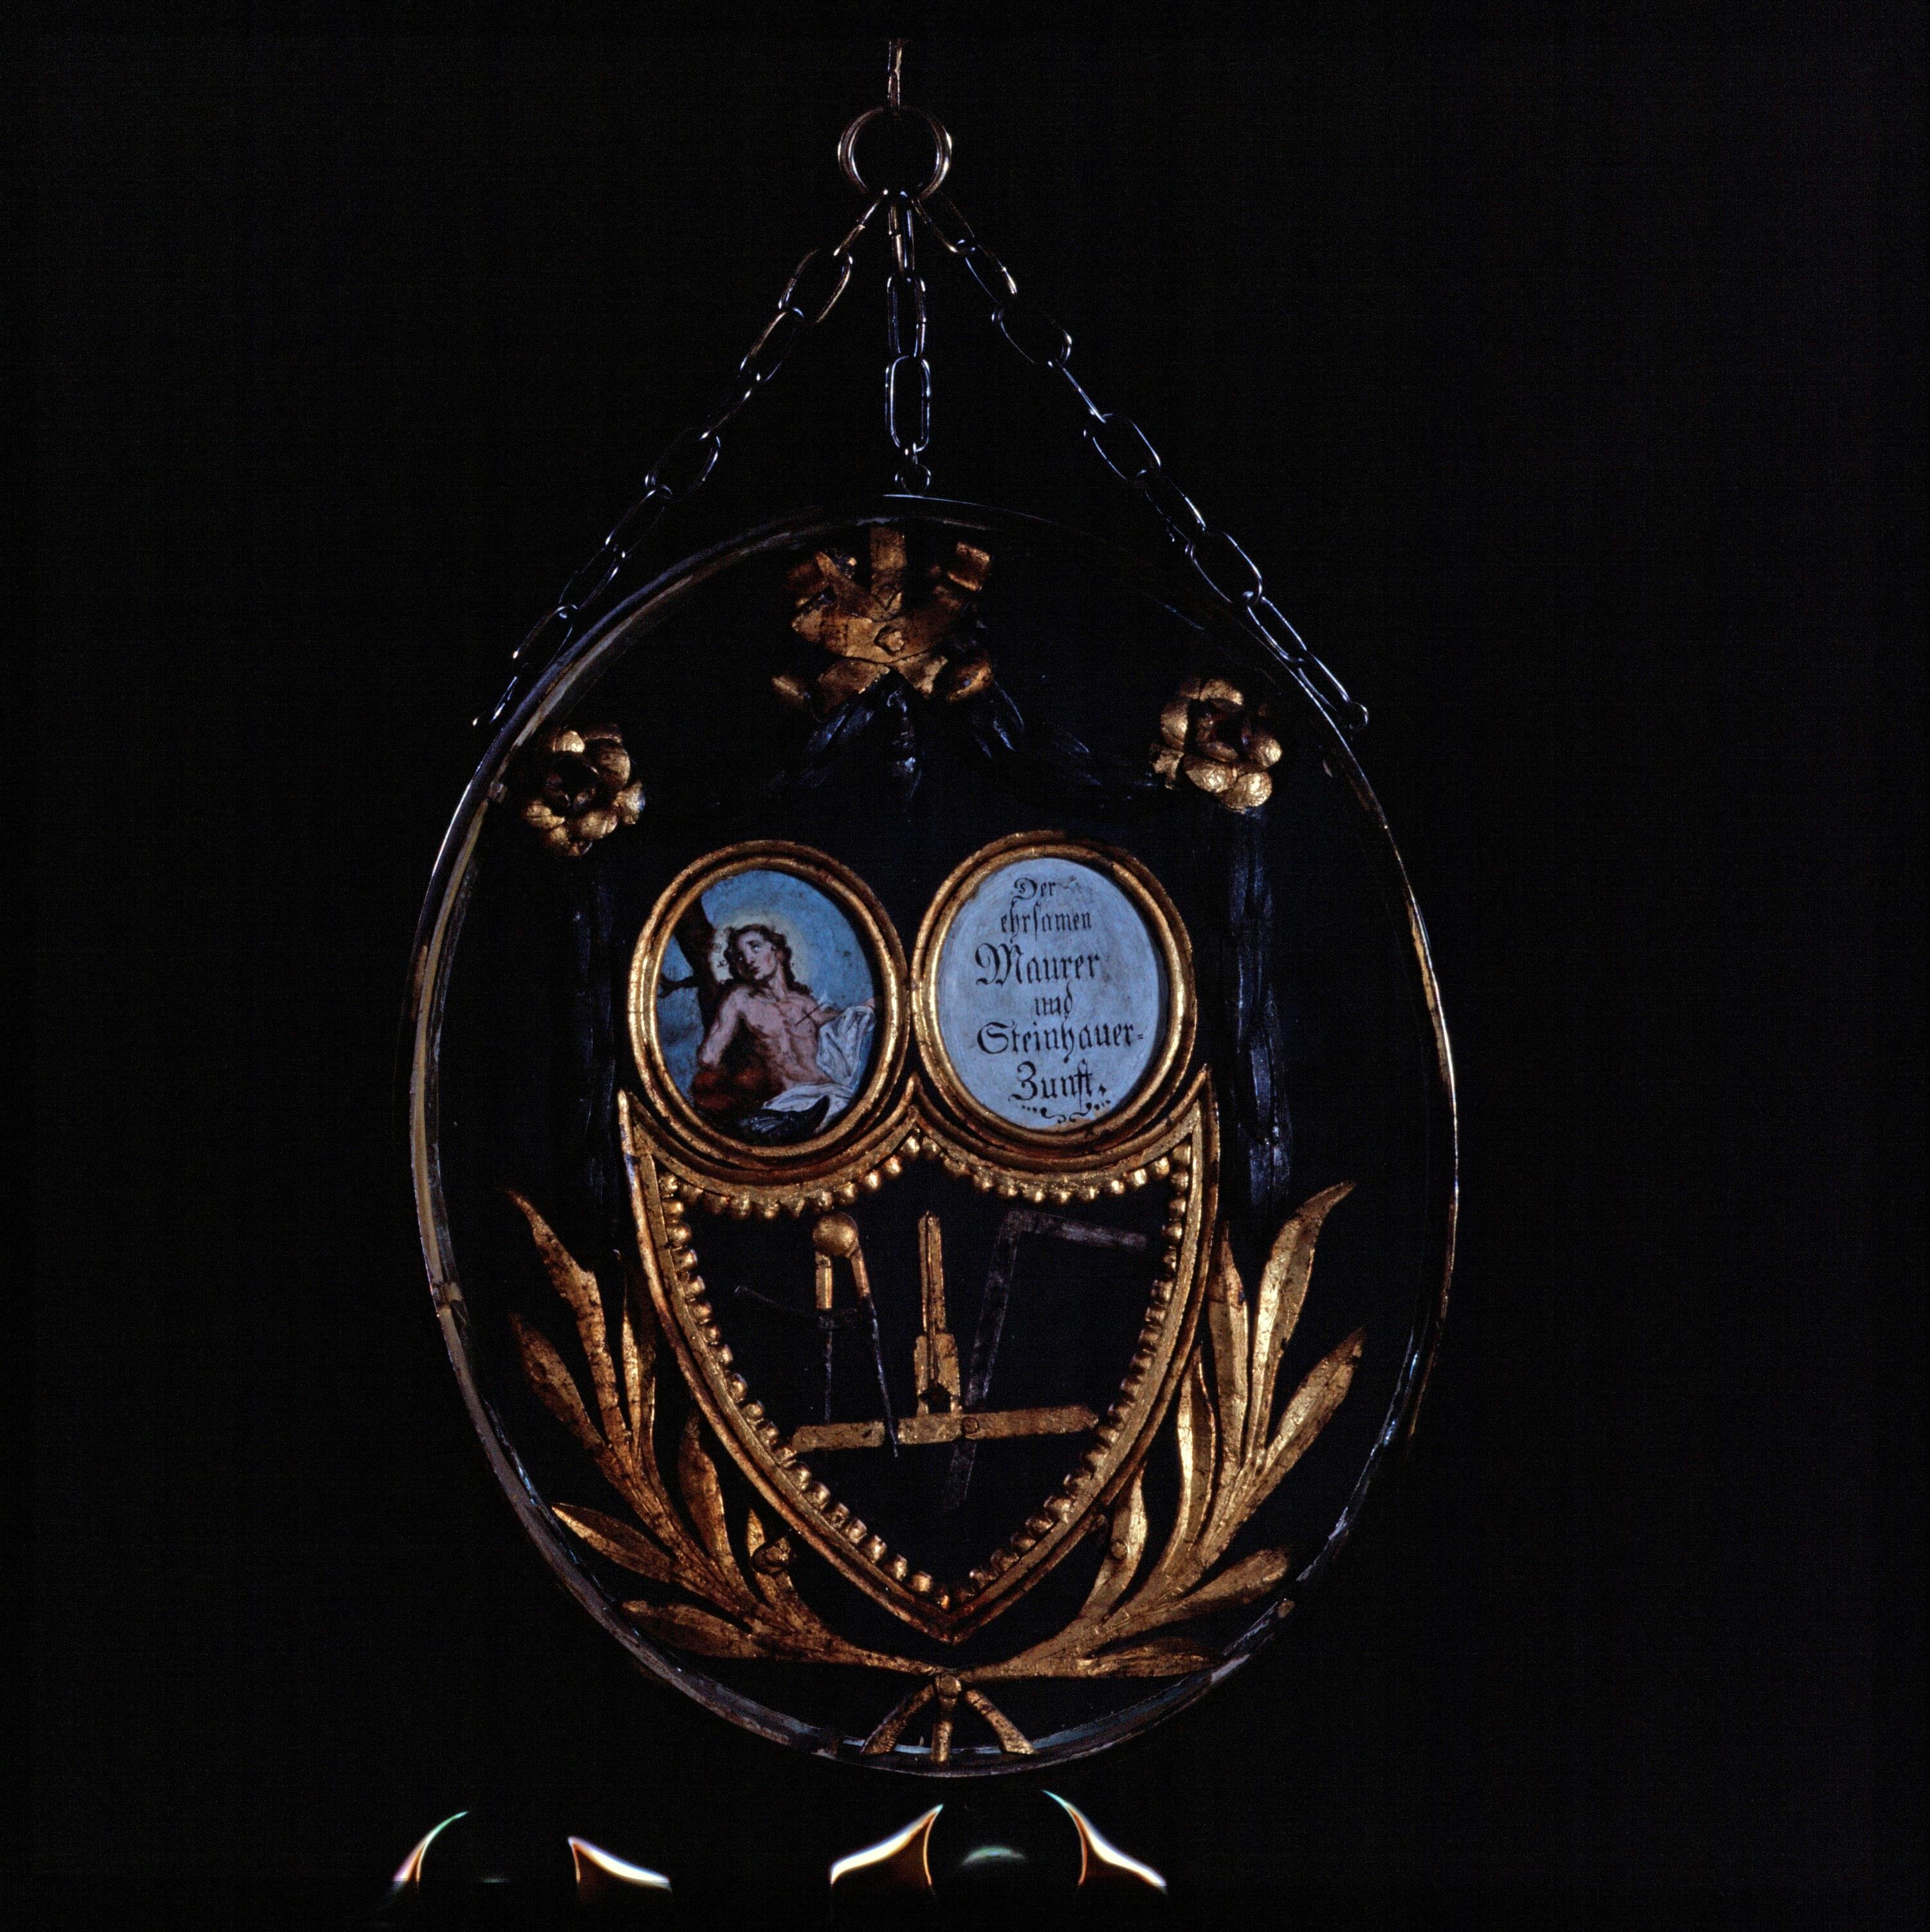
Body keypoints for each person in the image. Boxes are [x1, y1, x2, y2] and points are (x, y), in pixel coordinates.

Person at [693, 923, 875, 1143]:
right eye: (739, 957)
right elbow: (709, 1057)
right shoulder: (740, 1000)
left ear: (777, 952)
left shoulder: (804, 1003)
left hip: (830, 1095)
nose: (748, 960)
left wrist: (866, 1007)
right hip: (787, 1104)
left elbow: (841, 1021)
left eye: (755, 947)